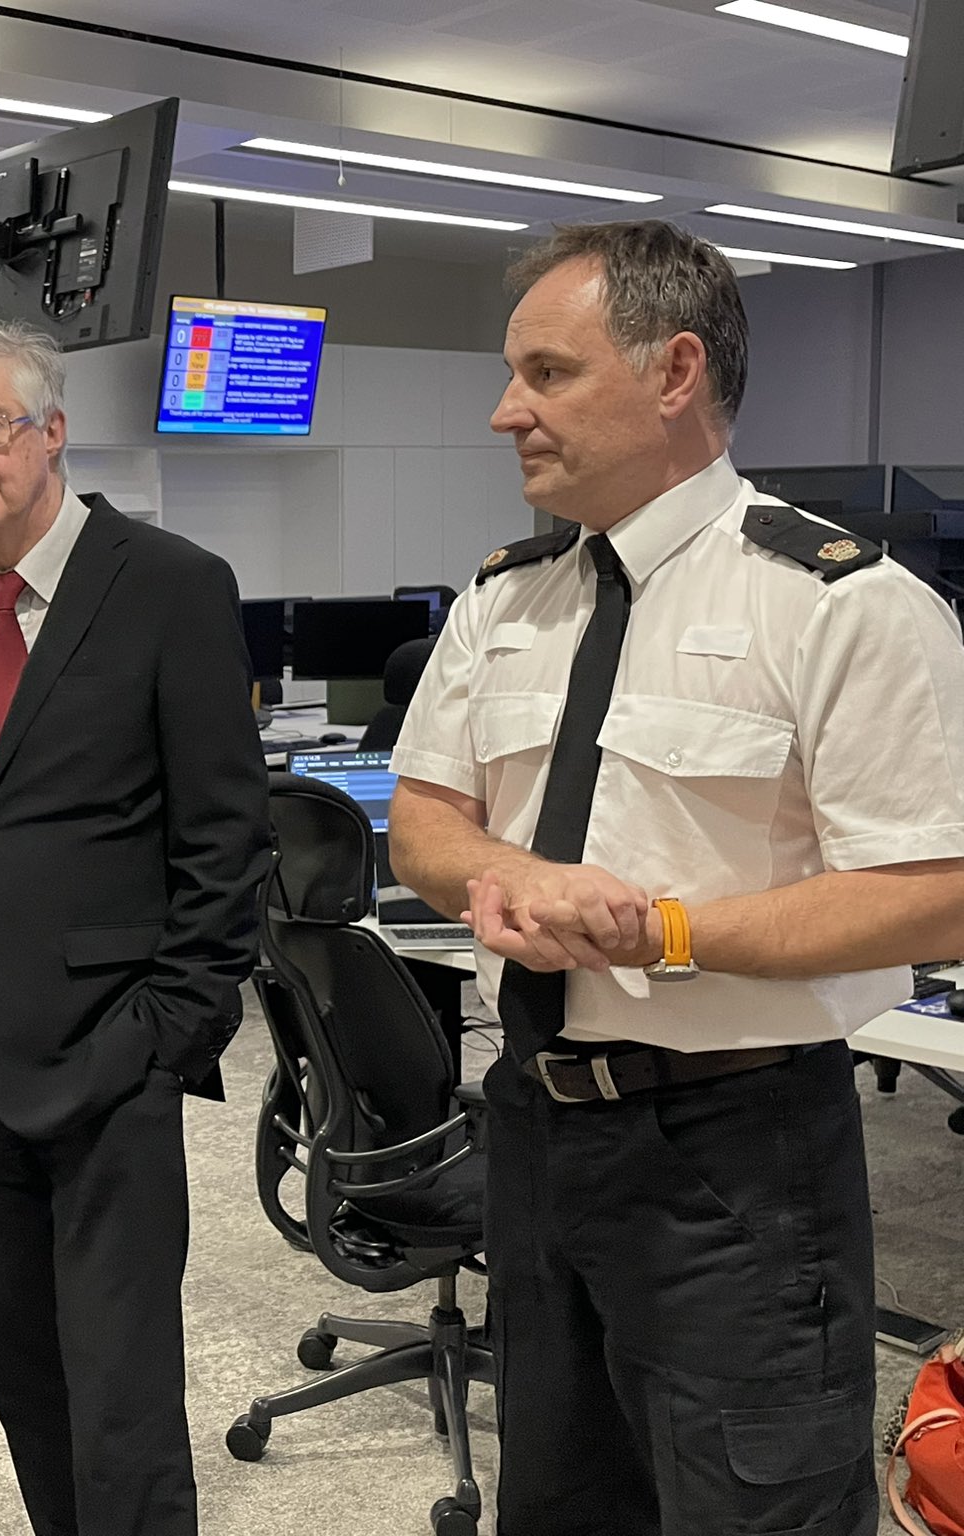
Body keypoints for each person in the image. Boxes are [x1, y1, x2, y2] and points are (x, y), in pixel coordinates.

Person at [387, 220, 964, 1536]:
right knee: (562, 1497)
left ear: (674, 371)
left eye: (545, 373)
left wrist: (664, 931)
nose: (502, 411)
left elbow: (941, 890)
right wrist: (505, 877)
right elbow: (421, 821)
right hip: (533, 1130)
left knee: (749, 1504)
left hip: (736, 1155)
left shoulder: (839, 605)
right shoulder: (505, 598)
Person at [0, 318, 271, 1536]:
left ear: (52, 432)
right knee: (26, 1390)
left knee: (120, 1405)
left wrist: (166, 1034)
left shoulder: (169, 586)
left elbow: (222, 837)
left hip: (106, 1063)